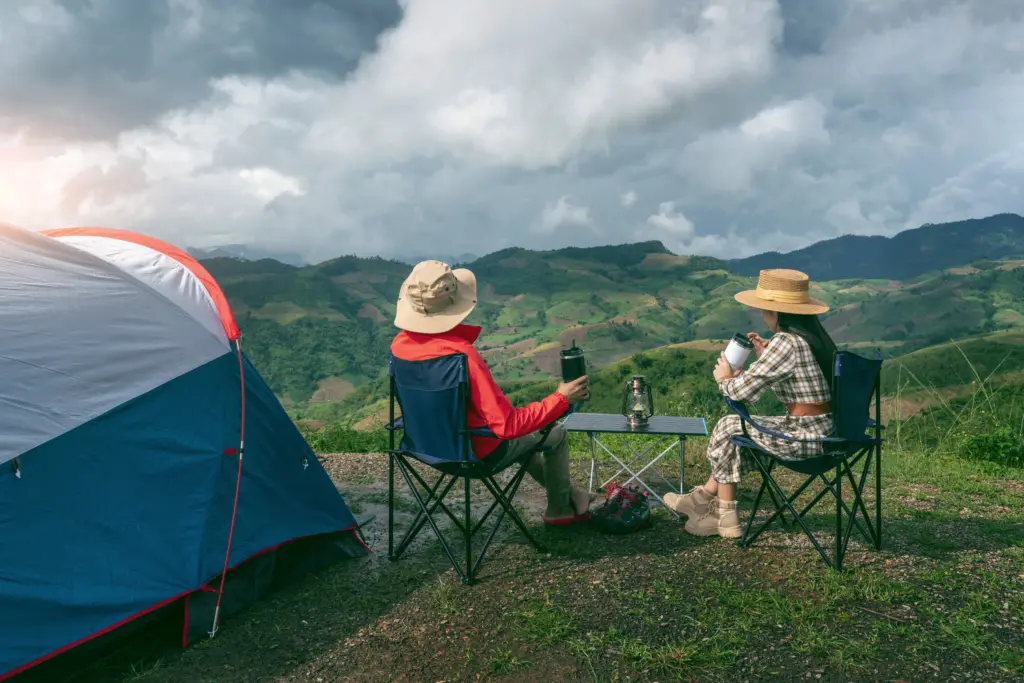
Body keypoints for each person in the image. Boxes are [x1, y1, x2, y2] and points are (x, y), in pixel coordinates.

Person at [390, 259, 596, 525]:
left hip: (424, 447)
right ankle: (559, 511)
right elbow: (507, 426)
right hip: (475, 455)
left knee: (528, 441)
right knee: (554, 435)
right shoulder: (462, 356)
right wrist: (561, 399)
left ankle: (575, 494)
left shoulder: (399, 347)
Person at [664, 268, 837, 538]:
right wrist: (765, 357)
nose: (762, 314)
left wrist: (724, 378)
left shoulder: (786, 342)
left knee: (728, 426)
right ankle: (704, 500)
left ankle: (722, 516)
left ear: (776, 312)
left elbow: (740, 393)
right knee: (733, 432)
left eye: (764, 309)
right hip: (830, 433)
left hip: (806, 438)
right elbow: (787, 383)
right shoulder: (814, 340)